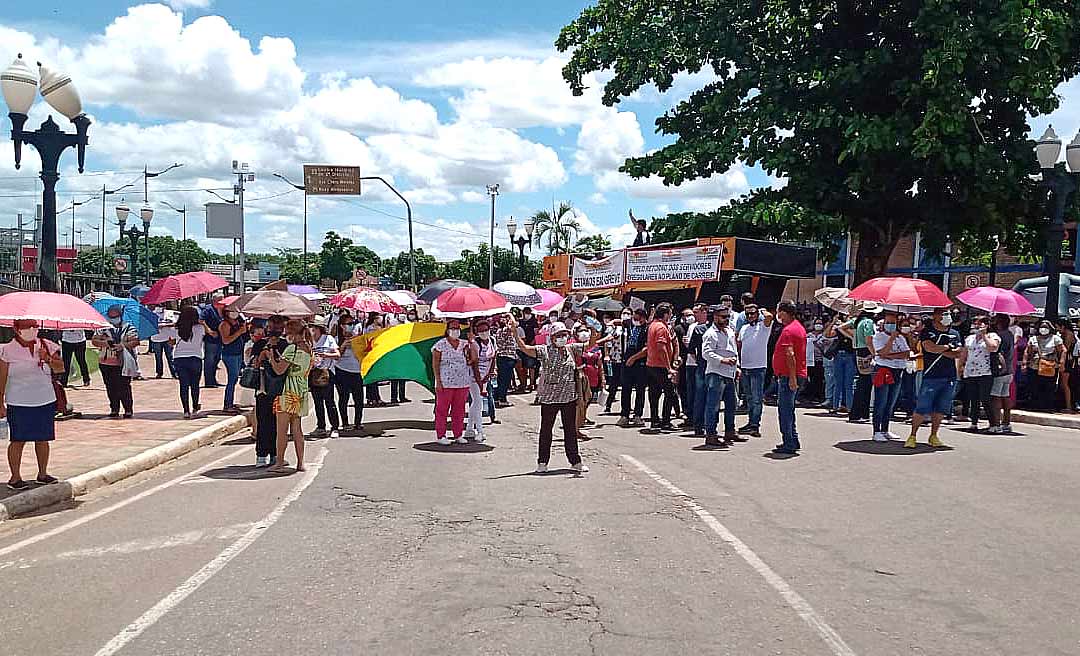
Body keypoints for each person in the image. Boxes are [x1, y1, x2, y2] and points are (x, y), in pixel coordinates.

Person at [509, 317, 588, 475]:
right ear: (552, 337)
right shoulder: (544, 350)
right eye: (559, 335)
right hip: (550, 398)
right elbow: (525, 348)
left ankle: (575, 461)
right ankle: (542, 462)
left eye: (564, 334)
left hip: (569, 397)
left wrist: (591, 328)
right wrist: (514, 332)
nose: (562, 338)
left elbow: (591, 344)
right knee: (546, 430)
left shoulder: (571, 349)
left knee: (570, 430)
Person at [1, 319, 62, 490]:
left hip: (44, 399)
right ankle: (15, 477)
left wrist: (47, 358)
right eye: (27, 327)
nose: (32, 330)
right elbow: (2, 378)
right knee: (18, 440)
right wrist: (0, 403)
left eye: (34, 326)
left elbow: (60, 368)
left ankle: (42, 474)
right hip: (18, 401)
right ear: (16, 329)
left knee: (43, 439)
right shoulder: (7, 350)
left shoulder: (46, 344)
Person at [906, 308, 962, 448]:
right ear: (936, 316)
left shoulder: (955, 333)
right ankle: (912, 435)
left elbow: (958, 353)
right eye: (944, 314)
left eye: (948, 314)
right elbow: (929, 348)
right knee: (922, 407)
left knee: (941, 408)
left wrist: (942, 349)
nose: (947, 316)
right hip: (931, 375)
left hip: (949, 376)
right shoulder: (928, 332)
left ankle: (934, 435)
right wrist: (947, 347)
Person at [268, 319, 313, 474]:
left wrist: (271, 356)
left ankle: (279, 462)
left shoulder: (292, 349)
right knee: (297, 428)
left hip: (288, 390)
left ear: (292, 333)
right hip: (301, 390)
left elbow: (279, 370)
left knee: (281, 430)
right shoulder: (308, 348)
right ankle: (301, 462)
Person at [700, 305, 742, 446]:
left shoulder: (729, 331)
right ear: (715, 317)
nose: (726, 319)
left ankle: (730, 431)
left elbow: (733, 350)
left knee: (732, 404)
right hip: (716, 373)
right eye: (723, 316)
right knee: (713, 405)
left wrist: (737, 367)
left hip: (729, 372)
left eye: (728, 316)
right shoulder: (710, 333)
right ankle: (711, 434)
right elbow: (706, 353)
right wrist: (722, 360)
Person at [249, 315, 288, 466]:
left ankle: (275, 454)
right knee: (263, 421)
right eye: (272, 326)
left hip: (280, 388)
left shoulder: (286, 345)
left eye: (278, 327)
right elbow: (253, 364)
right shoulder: (260, 344)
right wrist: (263, 353)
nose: (275, 330)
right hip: (264, 388)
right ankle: (261, 455)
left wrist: (274, 354)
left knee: (279, 423)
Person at [91, 304, 140, 419]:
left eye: (115, 316)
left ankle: (128, 409)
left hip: (122, 363)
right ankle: (114, 408)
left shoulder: (128, 327)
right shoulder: (102, 328)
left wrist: (122, 345)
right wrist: (105, 343)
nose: (112, 318)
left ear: (120, 315)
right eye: (110, 316)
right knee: (110, 386)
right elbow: (94, 341)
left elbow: (135, 341)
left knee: (124, 386)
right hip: (106, 362)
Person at [870, 311, 911, 441]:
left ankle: (885, 429)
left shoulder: (901, 337)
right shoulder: (879, 336)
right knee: (881, 401)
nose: (890, 325)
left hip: (898, 370)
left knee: (890, 402)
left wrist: (890, 356)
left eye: (893, 323)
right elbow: (881, 353)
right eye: (888, 323)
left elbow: (906, 353)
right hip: (883, 369)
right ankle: (876, 431)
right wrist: (891, 340)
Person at [772, 301, 807, 455]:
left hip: (788, 376)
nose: (777, 315)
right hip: (792, 374)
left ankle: (789, 442)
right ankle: (793, 439)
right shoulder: (797, 327)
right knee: (789, 410)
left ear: (784, 312)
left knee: (785, 411)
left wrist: (792, 378)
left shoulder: (788, 331)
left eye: (779, 312)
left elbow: (790, 355)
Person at [432, 319, 473, 445]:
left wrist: (471, 343)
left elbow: (472, 360)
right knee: (442, 409)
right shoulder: (440, 345)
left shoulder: (465, 344)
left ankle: (458, 434)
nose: (455, 331)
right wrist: (438, 381)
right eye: (452, 328)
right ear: (447, 330)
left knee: (459, 409)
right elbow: (435, 364)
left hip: (462, 382)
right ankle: (441, 435)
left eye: (457, 328)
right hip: (446, 382)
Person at [172, 306, 217, 419]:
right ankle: (195, 407)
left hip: (179, 358)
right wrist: (203, 323)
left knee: (183, 385)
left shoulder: (177, 329)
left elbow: (171, 342)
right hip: (195, 358)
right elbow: (212, 333)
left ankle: (186, 410)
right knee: (195, 385)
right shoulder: (200, 328)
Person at [839, 302, 879, 423]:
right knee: (865, 384)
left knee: (862, 382)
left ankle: (858, 413)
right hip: (865, 351)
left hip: (858, 351)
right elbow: (868, 340)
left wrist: (853, 337)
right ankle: (861, 413)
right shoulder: (868, 322)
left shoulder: (857, 320)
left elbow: (841, 327)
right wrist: (874, 354)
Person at [956, 315, 998, 431]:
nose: (977, 326)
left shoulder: (993, 336)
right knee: (973, 398)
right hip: (971, 371)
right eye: (976, 323)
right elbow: (964, 353)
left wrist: (984, 335)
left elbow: (993, 347)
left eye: (980, 323)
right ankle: (974, 423)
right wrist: (960, 367)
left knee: (985, 398)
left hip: (985, 372)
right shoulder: (970, 338)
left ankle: (993, 424)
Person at [736, 304, 772, 437]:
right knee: (749, 397)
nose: (750, 316)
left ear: (757, 314)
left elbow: (769, 316)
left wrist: (762, 310)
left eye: (753, 313)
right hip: (745, 367)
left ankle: (755, 425)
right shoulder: (744, 328)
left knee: (757, 398)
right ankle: (751, 422)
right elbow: (739, 345)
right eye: (748, 314)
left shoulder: (763, 326)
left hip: (758, 367)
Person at [645, 303, 678, 431]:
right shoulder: (660, 328)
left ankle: (655, 420)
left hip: (651, 364)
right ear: (665, 314)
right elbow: (661, 347)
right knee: (670, 393)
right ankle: (666, 421)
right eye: (669, 313)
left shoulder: (653, 325)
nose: (670, 316)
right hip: (660, 366)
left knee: (654, 394)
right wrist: (668, 367)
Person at [616, 308, 649, 427]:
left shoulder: (647, 329)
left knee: (640, 390)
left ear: (643, 318)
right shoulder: (628, 326)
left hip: (640, 362)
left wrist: (634, 358)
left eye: (637, 318)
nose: (634, 320)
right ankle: (624, 415)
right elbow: (617, 322)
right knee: (626, 389)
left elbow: (646, 349)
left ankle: (637, 415)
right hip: (626, 360)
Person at [676, 304, 707, 428]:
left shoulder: (709, 326)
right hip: (691, 363)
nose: (693, 315)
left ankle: (701, 418)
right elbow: (690, 346)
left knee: (701, 392)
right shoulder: (692, 327)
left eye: (696, 312)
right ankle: (690, 416)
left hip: (703, 363)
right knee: (691, 391)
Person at [332, 313, 365, 432]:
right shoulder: (336, 339)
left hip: (357, 371)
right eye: (349, 324)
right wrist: (344, 345)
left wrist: (358, 343)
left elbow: (363, 354)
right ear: (342, 326)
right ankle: (345, 422)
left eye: (353, 323)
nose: (352, 326)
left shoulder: (358, 338)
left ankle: (358, 422)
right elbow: (336, 357)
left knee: (359, 399)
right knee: (343, 398)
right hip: (342, 371)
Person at [466, 318, 497, 442]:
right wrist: (480, 382)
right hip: (474, 377)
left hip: (486, 376)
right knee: (478, 403)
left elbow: (494, 357)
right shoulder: (475, 344)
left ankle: (469, 428)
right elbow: (474, 364)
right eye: (481, 331)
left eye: (486, 330)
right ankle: (480, 431)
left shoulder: (492, 341)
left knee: (475, 403)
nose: (484, 332)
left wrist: (489, 374)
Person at [1024, 320, 1066, 411]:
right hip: (1034, 366)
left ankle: (1047, 406)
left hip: (1049, 366)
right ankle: (1035, 405)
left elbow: (1063, 351)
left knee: (1049, 387)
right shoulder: (1033, 339)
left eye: (1046, 327)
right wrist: (1024, 363)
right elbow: (1027, 352)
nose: (1043, 329)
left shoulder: (1055, 339)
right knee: (1034, 387)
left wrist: (1061, 363)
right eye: (1041, 327)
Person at [309, 319, 340, 438]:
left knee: (329, 401)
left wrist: (325, 355)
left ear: (318, 329)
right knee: (317, 402)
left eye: (313, 328)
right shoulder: (309, 341)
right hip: (313, 373)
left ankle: (335, 427)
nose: (311, 330)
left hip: (327, 373)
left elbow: (337, 355)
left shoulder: (328, 339)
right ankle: (321, 426)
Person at [987, 314, 1015, 434]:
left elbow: (999, 354)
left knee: (995, 397)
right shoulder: (1010, 334)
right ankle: (1006, 422)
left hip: (1000, 371)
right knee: (1005, 396)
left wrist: (999, 369)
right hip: (1009, 370)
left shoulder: (1000, 336)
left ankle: (997, 423)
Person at [218, 306, 249, 414]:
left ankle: (231, 402)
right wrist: (239, 332)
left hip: (237, 353)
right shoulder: (224, 324)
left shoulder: (237, 322)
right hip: (230, 355)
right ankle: (227, 404)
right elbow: (226, 341)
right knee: (232, 379)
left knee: (235, 378)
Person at [492, 314, 518, 407]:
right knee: (505, 380)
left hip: (501, 357)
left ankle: (497, 398)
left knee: (501, 379)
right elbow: (514, 324)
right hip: (507, 357)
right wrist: (510, 315)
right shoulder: (506, 330)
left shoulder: (497, 331)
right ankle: (502, 399)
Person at [200, 293, 224, 388]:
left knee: (217, 359)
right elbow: (201, 320)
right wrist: (209, 331)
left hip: (220, 339)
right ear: (215, 300)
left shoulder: (222, 309)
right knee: (209, 360)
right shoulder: (208, 309)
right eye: (220, 299)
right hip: (211, 339)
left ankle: (213, 380)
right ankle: (209, 381)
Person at [363, 313, 386, 407]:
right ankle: (374, 398)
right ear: (374, 318)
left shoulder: (372, 327)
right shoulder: (372, 328)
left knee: (372, 377)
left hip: (373, 353)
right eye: (378, 317)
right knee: (373, 377)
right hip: (372, 354)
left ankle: (371, 398)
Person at [149, 312, 177, 380]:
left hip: (168, 338)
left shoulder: (170, 313)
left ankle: (174, 373)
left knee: (170, 357)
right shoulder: (152, 314)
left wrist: (164, 325)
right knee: (158, 357)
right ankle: (159, 373)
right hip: (156, 339)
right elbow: (150, 325)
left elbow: (174, 324)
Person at [518, 307, 540, 392]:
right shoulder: (521, 322)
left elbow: (536, 333)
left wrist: (533, 342)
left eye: (528, 312)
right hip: (522, 346)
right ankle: (524, 383)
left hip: (531, 346)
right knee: (523, 366)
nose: (527, 314)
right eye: (525, 312)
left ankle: (532, 383)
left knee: (531, 365)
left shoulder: (534, 322)